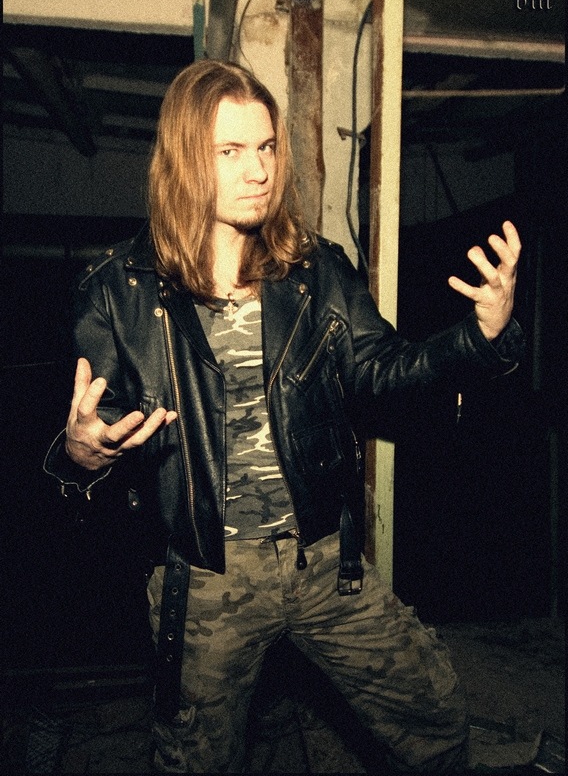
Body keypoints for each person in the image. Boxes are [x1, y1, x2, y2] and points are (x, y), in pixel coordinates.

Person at [44, 59, 524, 773]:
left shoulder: (316, 270)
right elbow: (90, 434)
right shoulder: (117, 289)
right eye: (231, 151)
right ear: (184, 159)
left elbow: (382, 372)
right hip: (205, 580)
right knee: (196, 760)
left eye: (267, 146)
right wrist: (81, 453)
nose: (260, 169)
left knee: (433, 713)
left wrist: (480, 337)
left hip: (324, 562)